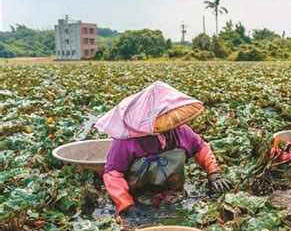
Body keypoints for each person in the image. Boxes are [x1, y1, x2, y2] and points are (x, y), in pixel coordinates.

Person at [95, 81, 232, 220]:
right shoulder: (126, 140)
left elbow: (201, 148)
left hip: (175, 198)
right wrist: (126, 206)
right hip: (139, 203)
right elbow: (113, 175)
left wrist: (213, 173)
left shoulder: (179, 130)